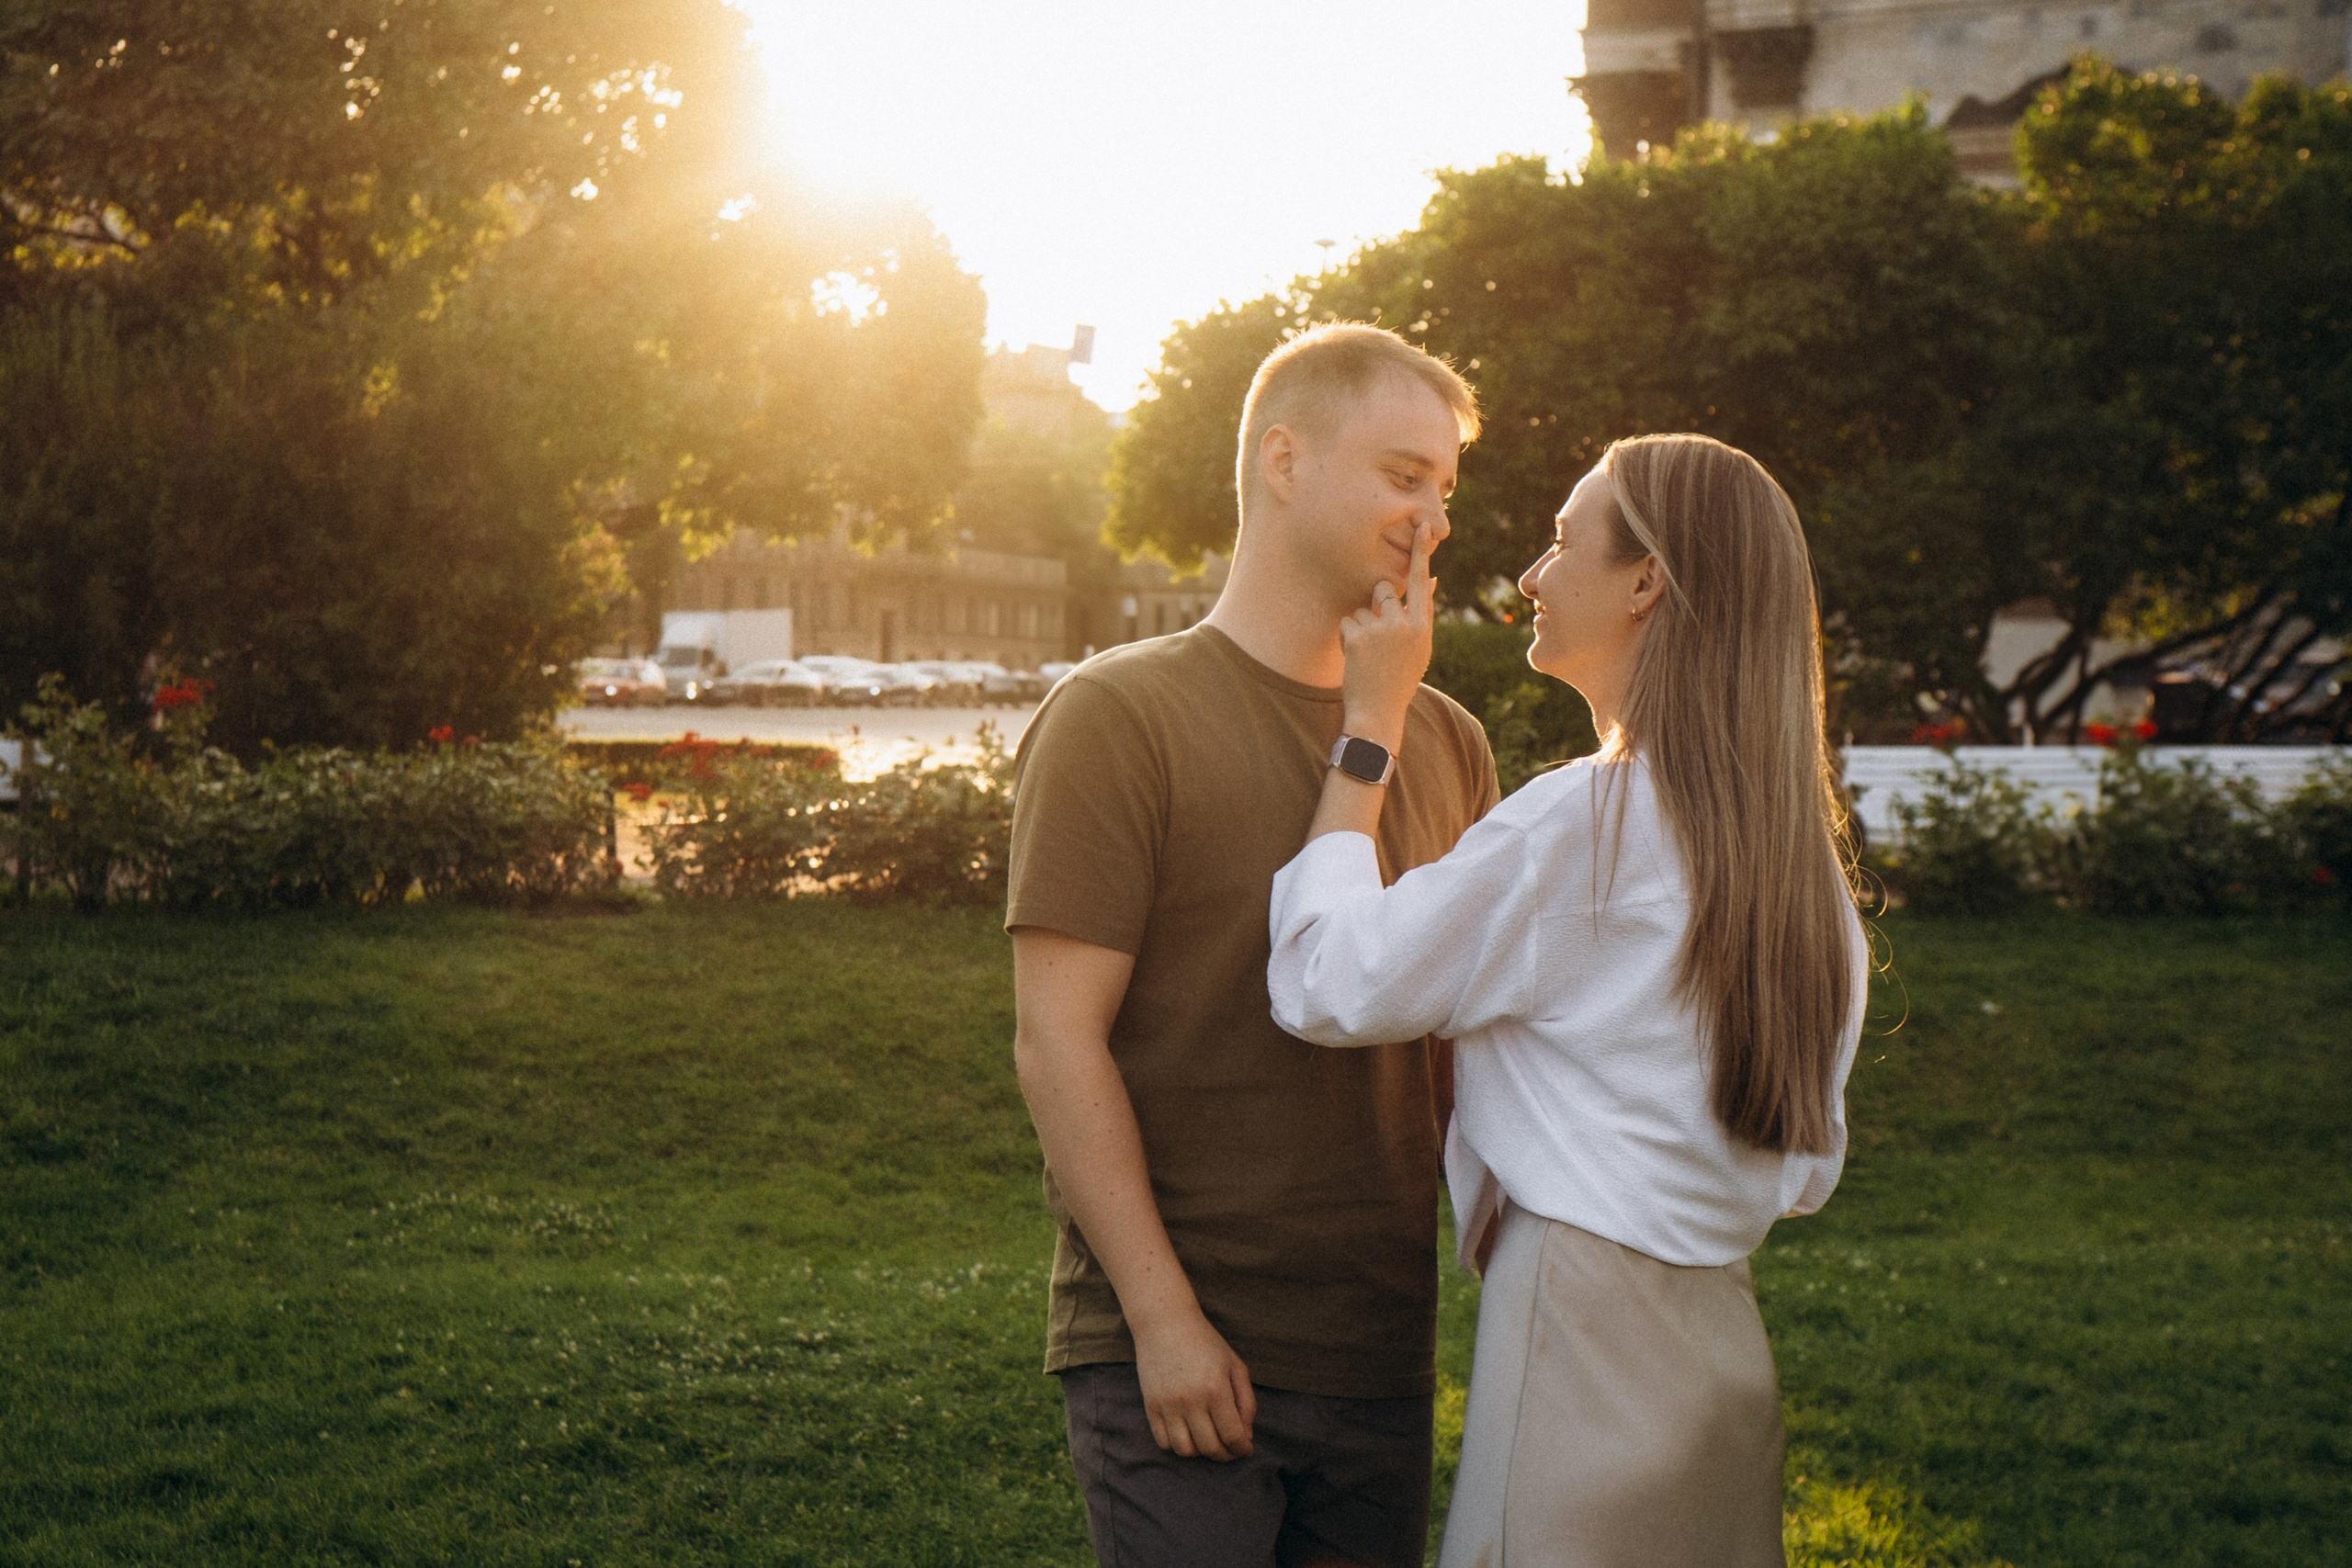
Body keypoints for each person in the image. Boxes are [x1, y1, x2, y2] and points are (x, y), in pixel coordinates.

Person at [1267, 433, 1868, 1567]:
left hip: (1583, 1328)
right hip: (1722, 1351)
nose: (1531, 576)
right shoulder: (1803, 873)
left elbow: (1323, 978)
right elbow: (1805, 1170)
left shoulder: (1585, 825)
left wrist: (1371, 727)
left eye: (1559, 542)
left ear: (1647, 581)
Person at [1007, 322, 1499, 1568]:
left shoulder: (1450, 741)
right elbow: (1057, 1041)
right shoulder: (1119, 713)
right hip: (1178, 1348)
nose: (1432, 519)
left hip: (1380, 1353)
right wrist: (1160, 1318)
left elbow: (1466, 1045)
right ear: (1284, 461)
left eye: (1444, 488)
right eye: (1402, 476)